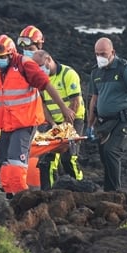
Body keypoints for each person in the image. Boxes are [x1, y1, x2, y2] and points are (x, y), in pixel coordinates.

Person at [0, 35, 75, 198]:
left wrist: (63, 108)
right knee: (6, 164)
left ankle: (23, 198)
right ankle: (11, 196)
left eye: (1, 57)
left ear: (11, 54)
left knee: (16, 162)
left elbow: (46, 84)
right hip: (7, 125)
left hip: (25, 123)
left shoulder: (24, 65)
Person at [87, 37, 127, 192]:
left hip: (124, 119)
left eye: (103, 54)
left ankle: (114, 192)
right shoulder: (95, 71)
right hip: (105, 122)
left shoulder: (123, 68)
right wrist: (89, 124)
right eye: (97, 54)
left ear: (113, 52)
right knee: (104, 154)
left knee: (112, 152)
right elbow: (93, 99)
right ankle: (108, 191)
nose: (100, 58)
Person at [32, 49, 85, 189]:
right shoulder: (40, 79)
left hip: (74, 120)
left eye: (40, 66)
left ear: (49, 59)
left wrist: (66, 126)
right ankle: (48, 193)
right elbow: (43, 104)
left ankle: (79, 188)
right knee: (46, 160)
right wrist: (52, 123)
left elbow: (75, 101)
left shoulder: (68, 74)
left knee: (69, 158)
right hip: (54, 122)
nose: (39, 70)